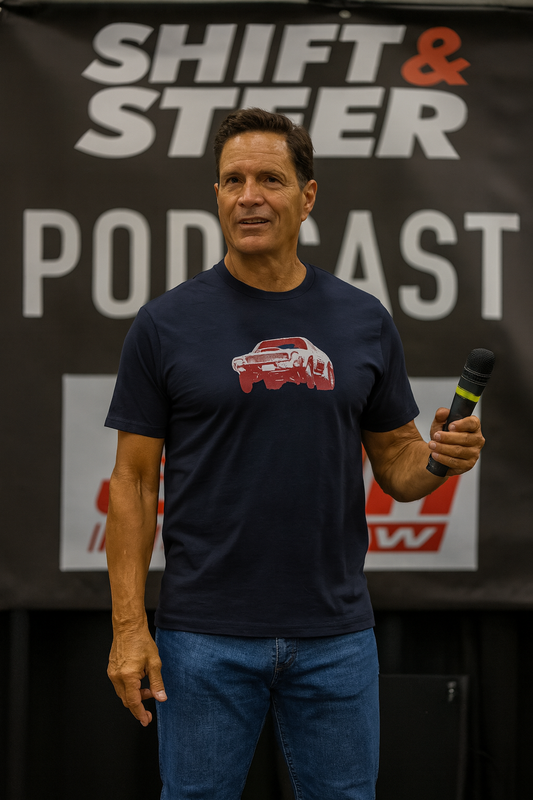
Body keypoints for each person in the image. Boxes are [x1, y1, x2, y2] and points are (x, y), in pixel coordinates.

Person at [104, 108, 484, 800]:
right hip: (202, 637)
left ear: (307, 196)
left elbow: (397, 465)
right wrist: (130, 629)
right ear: (217, 194)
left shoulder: (362, 319)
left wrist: (439, 460)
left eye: (270, 179)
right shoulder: (165, 324)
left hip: (334, 636)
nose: (248, 195)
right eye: (232, 180)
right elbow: (130, 485)